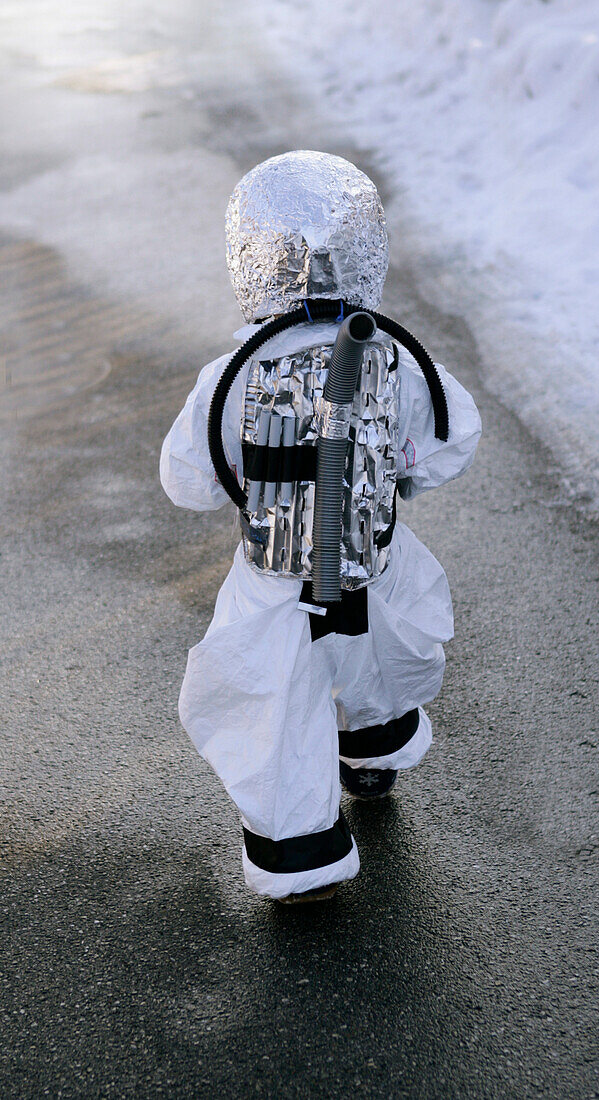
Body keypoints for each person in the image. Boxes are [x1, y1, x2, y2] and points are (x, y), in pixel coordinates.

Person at [160, 151, 481, 903]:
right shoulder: (391, 350)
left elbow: (189, 481)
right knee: (381, 657)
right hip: (375, 556)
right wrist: (396, 468)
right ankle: (372, 755)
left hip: (275, 578)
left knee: (269, 702)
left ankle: (301, 854)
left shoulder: (231, 373)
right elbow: (449, 440)